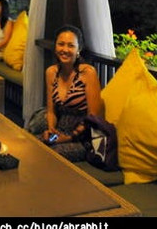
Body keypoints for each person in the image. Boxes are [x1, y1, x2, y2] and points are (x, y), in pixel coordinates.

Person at [33, 25, 104, 162]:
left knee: (48, 156)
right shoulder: (51, 72)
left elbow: (93, 117)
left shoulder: (87, 73)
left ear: (79, 49)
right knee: (31, 145)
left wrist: (70, 137)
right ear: (55, 47)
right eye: (61, 44)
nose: (65, 50)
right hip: (60, 131)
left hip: (83, 137)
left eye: (71, 46)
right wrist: (51, 130)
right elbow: (51, 111)